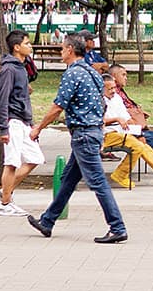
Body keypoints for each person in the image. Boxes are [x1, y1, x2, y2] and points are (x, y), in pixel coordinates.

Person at [25, 33, 128, 244]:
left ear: (70, 50)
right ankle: (47, 221)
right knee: (68, 180)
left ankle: (117, 226)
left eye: (62, 49)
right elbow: (102, 104)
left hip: (83, 135)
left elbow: (58, 106)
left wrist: (39, 128)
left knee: (98, 182)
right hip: (92, 133)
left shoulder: (72, 74)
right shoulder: (92, 73)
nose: (61, 52)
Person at [0, 30, 43, 217]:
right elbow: (2, 98)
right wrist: (3, 128)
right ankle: (6, 204)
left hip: (23, 121)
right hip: (12, 121)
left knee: (35, 158)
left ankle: (5, 191)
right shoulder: (9, 69)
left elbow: (22, 90)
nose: (30, 46)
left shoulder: (21, 67)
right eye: (27, 43)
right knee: (12, 162)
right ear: (17, 47)